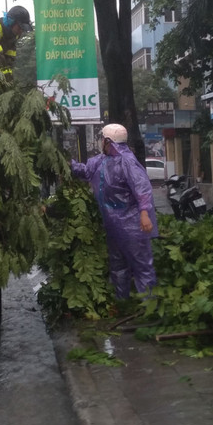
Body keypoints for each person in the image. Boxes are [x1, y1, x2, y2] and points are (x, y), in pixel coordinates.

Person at [69, 123, 159, 300]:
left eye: (103, 139)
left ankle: (150, 306)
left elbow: (142, 189)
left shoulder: (127, 161)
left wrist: (144, 213)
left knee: (142, 266)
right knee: (118, 266)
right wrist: (66, 164)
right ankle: (122, 302)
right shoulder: (100, 161)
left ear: (108, 141)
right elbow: (85, 171)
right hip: (113, 225)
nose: (101, 142)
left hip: (132, 225)